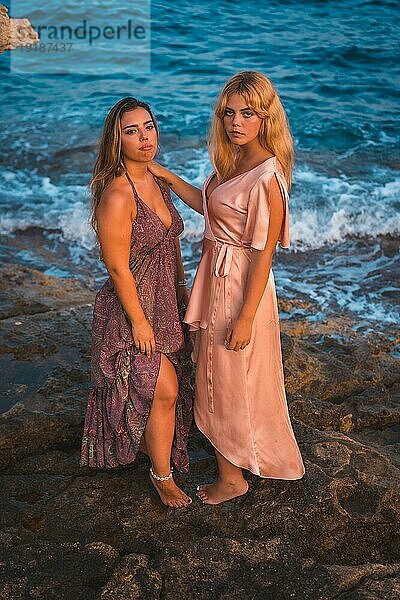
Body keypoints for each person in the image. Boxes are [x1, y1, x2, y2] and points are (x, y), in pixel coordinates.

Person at [149, 71, 305, 505]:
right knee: (216, 375)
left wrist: (246, 317)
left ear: (266, 117)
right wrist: (164, 175)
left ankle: (232, 477)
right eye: (229, 113)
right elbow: (211, 210)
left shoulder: (267, 177)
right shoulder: (234, 161)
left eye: (248, 113)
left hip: (239, 287)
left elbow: (263, 254)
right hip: (215, 276)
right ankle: (236, 462)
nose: (236, 122)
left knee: (228, 379)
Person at [80, 97, 193, 509]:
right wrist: (140, 322)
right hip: (131, 310)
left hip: (165, 302)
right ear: (117, 140)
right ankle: (161, 478)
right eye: (132, 131)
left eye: (148, 127)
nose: (144, 138)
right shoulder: (117, 195)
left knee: (157, 389)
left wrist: (181, 289)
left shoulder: (157, 183)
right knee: (164, 388)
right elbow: (116, 268)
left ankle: (152, 448)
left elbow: (183, 228)